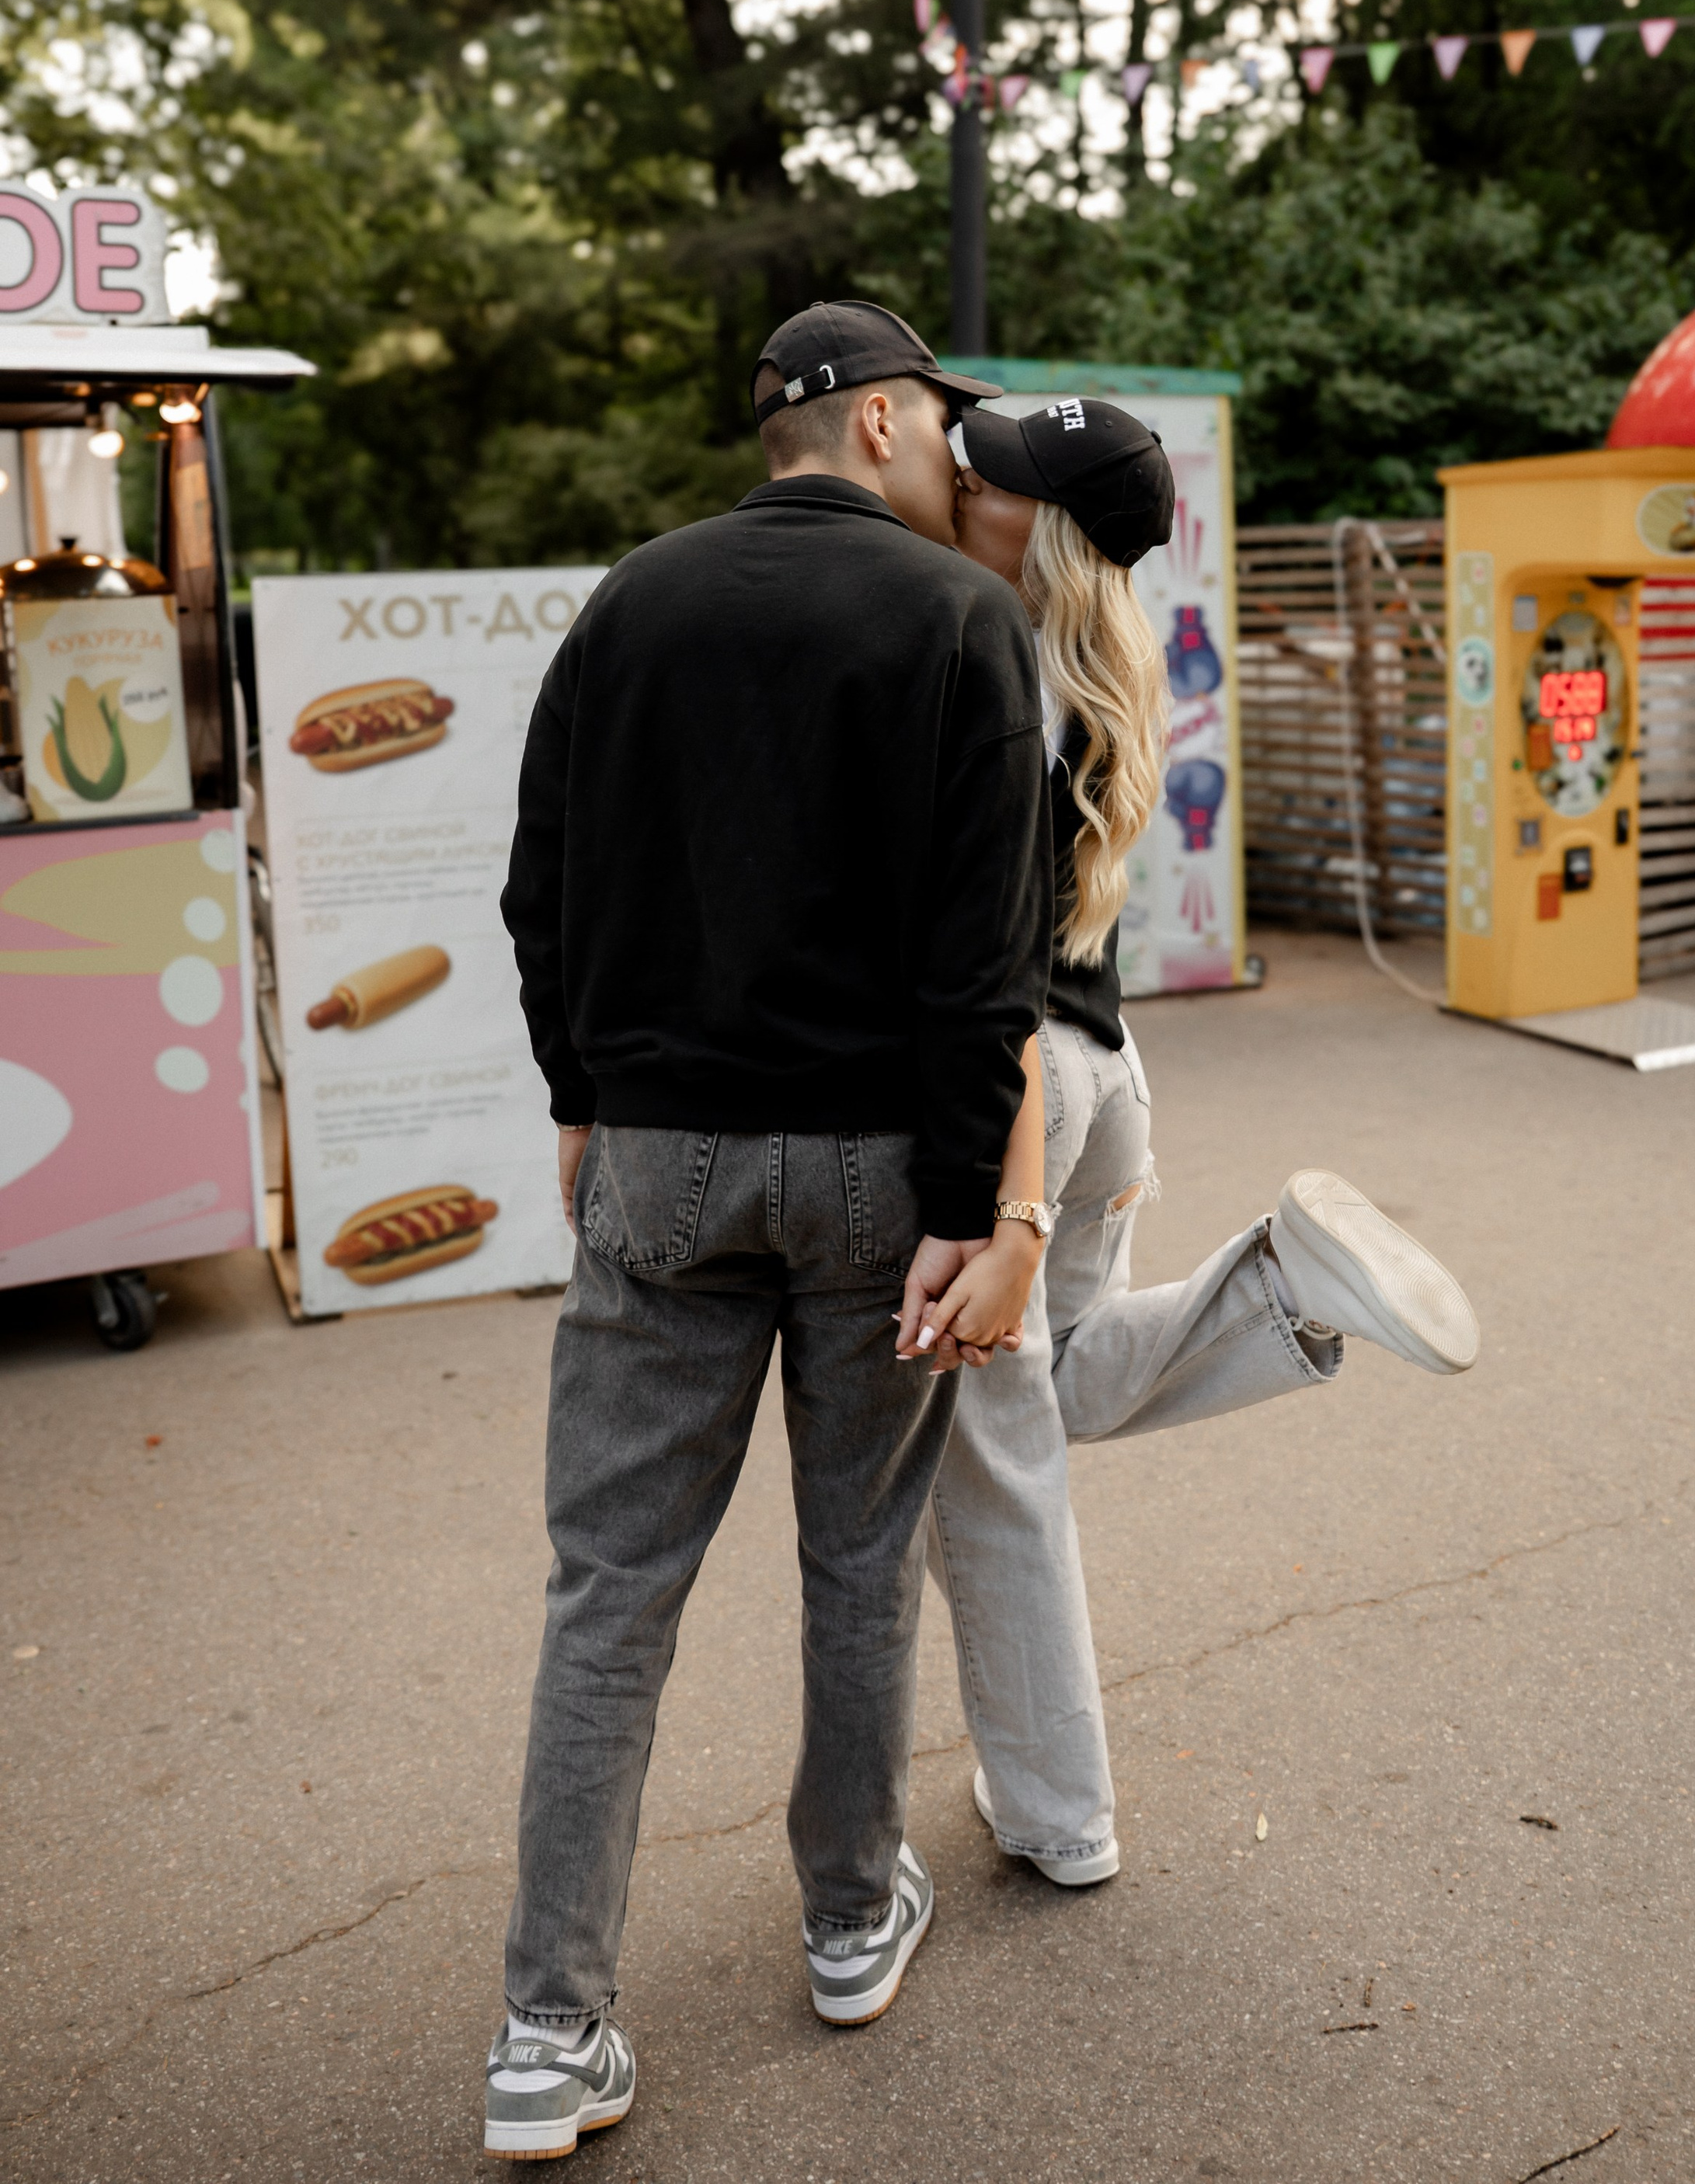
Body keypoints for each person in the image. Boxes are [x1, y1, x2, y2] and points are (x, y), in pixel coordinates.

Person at [486, 301, 1056, 2161]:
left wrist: (583, 1092)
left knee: (609, 1589)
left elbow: (537, 880)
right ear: (881, 422)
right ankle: (842, 1920)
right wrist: (975, 1208)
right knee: (856, 1552)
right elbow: (983, 964)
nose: (949, 457)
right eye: (938, 426)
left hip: (656, 1151)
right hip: (878, 1169)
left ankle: (550, 2033)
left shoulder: (630, 603)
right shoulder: (956, 618)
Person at [907, 396, 1480, 1886]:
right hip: (1106, 1075)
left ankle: (1057, 1813)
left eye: (1000, 477)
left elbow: (970, 960)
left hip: (1019, 1089)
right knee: (1059, 1377)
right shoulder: (1099, 670)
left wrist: (998, 1194)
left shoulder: (987, 659)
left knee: (996, 1455)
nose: (968, 480)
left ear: (1049, 529)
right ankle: (1284, 1288)